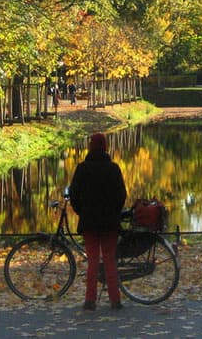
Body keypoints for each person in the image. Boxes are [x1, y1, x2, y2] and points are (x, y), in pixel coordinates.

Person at [69, 133, 128, 310]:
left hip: (89, 222)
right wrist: (114, 212)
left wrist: (82, 212)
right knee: (110, 260)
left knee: (93, 261)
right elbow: (121, 195)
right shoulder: (114, 168)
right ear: (105, 147)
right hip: (110, 222)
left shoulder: (82, 168)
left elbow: (74, 195)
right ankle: (115, 300)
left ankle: (90, 300)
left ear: (91, 147)